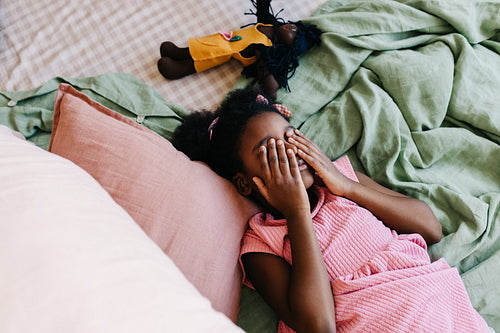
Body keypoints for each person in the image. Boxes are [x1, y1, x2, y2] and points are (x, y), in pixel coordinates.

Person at [171, 88, 491, 333]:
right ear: (244, 184)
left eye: (290, 137)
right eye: (269, 152)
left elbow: (430, 228)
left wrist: (348, 187)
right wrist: (296, 213)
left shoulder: (342, 180)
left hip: (437, 306)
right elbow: (317, 325)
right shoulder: (262, 243)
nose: (289, 152)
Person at [157, 0, 322, 99]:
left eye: (295, 34)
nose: (291, 28)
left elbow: (266, 71)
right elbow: (263, 12)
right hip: (227, 37)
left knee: (210, 54)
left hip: (229, 50)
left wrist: (270, 92)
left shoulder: (269, 49)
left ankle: (179, 68)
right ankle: (180, 53)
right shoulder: (270, 25)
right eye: (295, 26)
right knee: (206, 43)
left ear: (290, 48)